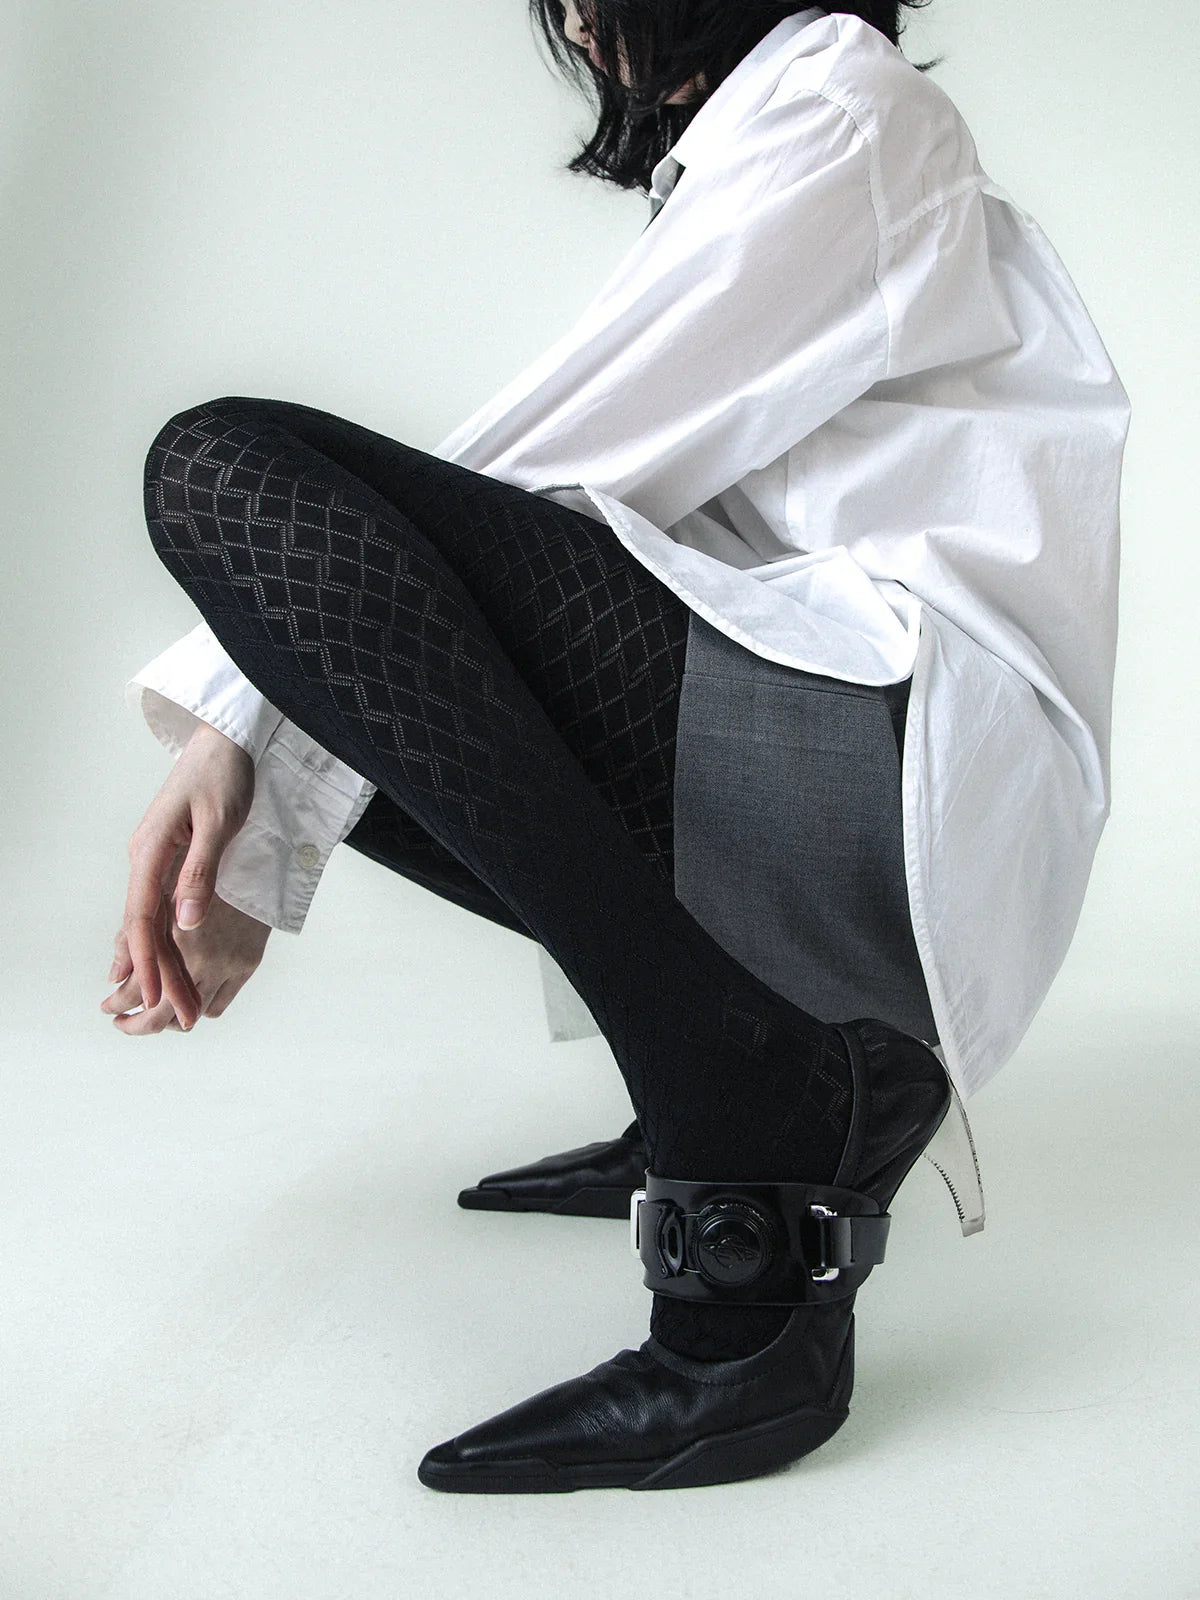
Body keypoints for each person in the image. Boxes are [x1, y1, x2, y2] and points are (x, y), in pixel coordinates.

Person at [106, 1, 1130, 1493]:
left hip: (893, 774)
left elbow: (554, 453)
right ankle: (729, 1055)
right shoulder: (780, 137)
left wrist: (239, 751)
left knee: (224, 475)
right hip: (834, 757)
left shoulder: (845, 115)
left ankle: (747, 1158)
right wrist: (257, 718)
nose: (579, 22)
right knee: (352, 644)